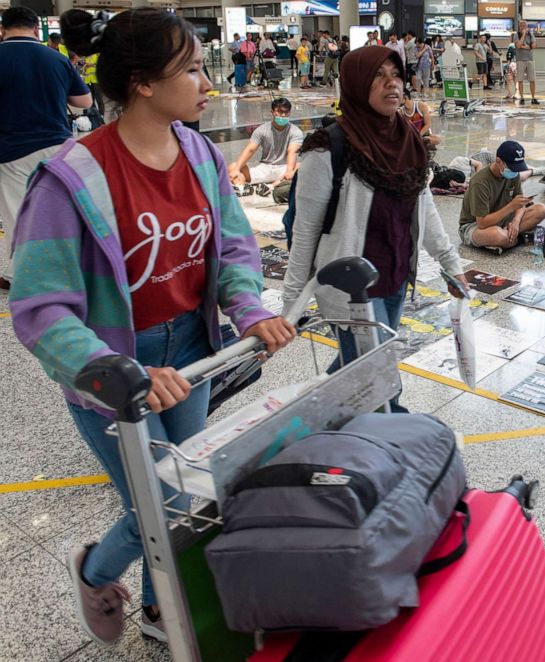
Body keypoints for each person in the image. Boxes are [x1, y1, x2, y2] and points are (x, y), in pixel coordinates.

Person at [11, 8, 295, 646]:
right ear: (142, 81)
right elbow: (40, 306)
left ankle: (159, 609)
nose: (206, 83)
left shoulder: (199, 153)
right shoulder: (70, 179)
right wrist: (116, 371)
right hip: (116, 369)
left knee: (185, 499)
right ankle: (94, 569)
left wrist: (250, 309)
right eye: (192, 69)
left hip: (190, 353)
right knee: (155, 509)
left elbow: (233, 248)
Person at [282, 46, 467, 384]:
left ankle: (317, 409)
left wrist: (451, 264)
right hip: (351, 288)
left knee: (360, 369)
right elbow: (305, 231)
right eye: (378, 76)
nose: (392, 84)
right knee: (380, 381)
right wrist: (290, 306)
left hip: (396, 277)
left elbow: (423, 207)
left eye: (395, 74)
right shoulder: (327, 148)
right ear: (356, 84)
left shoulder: (408, 138)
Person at [0, 6, 92, 290]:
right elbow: (84, 102)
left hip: (11, 148)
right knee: (56, 208)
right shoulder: (56, 58)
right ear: (35, 29)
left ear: (3, 29)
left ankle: (25, 276)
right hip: (57, 145)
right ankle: (70, 267)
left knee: (17, 212)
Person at [458, 140, 545, 249]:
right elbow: (482, 222)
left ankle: (510, 235)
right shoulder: (480, 182)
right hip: (476, 225)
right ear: (498, 161)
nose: (515, 171)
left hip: (503, 218)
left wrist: (515, 221)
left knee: (541, 210)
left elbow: (520, 205)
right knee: (498, 235)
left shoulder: (513, 175)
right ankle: (511, 236)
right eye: (511, 167)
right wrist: (511, 207)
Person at [228, 97, 304, 190]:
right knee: (233, 167)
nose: (283, 115)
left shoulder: (296, 131)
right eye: (280, 112)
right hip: (264, 167)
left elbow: (292, 152)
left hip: (284, 169)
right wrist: (236, 169)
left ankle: (272, 186)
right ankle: (241, 188)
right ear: (272, 112)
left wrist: (289, 172)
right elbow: (250, 149)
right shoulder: (261, 130)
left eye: (286, 112)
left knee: (301, 166)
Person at [515, 20, 539, 105]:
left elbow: (534, 45)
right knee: (520, 79)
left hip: (530, 59)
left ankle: (533, 98)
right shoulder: (516, 35)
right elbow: (518, 45)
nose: (523, 27)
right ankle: (522, 97)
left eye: (525, 25)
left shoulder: (531, 34)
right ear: (519, 26)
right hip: (520, 59)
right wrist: (523, 34)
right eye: (521, 25)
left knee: (532, 79)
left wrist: (526, 47)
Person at [82, 52, 105, 119]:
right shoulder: (86, 55)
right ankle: (94, 115)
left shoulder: (97, 54)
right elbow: (84, 65)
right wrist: (85, 67)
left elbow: (102, 64)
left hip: (96, 80)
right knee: (91, 100)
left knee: (99, 99)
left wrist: (92, 64)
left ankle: (101, 116)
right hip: (88, 80)